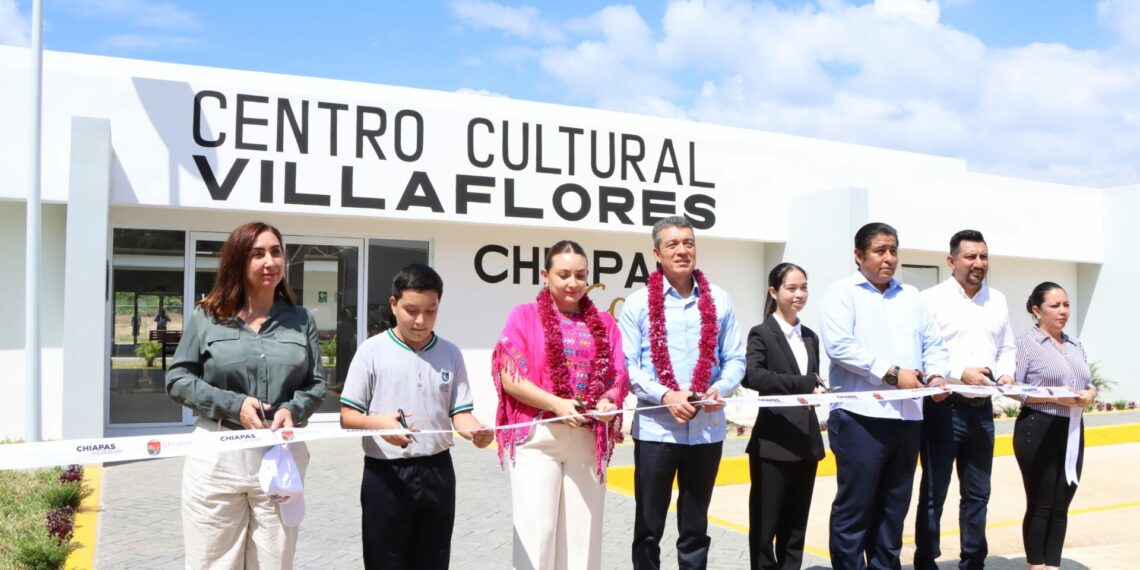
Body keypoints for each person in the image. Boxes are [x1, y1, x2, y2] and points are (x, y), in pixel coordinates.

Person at [166, 221, 326, 570]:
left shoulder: (301, 320)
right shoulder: (207, 316)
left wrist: (293, 410)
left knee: (274, 562)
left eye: (276, 252)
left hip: (280, 455)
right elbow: (178, 378)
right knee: (213, 563)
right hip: (219, 454)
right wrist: (234, 405)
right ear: (238, 262)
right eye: (257, 254)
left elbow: (316, 383)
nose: (270, 261)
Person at [339, 263, 494, 570]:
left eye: (431, 310)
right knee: (385, 560)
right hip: (386, 474)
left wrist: (475, 431)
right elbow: (348, 415)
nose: (421, 320)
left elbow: (460, 413)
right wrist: (380, 424)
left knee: (434, 558)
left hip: (437, 471)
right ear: (393, 304)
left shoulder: (450, 353)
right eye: (411, 310)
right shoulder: (372, 351)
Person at [819, 222, 949, 570]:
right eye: (880, 250)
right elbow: (839, 347)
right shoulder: (842, 292)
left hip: (907, 419)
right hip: (859, 419)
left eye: (893, 250)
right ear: (859, 255)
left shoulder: (912, 296)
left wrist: (935, 375)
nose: (888, 257)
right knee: (855, 509)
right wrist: (893, 373)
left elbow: (934, 344)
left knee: (893, 511)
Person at [493, 240, 630, 570]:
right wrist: (557, 404)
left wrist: (607, 400)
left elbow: (618, 374)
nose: (573, 283)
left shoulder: (604, 322)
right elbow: (509, 376)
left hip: (587, 439)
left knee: (583, 539)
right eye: (564, 274)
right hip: (539, 439)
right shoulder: (523, 316)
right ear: (545, 274)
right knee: (538, 535)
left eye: (581, 275)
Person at [620, 215, 746, 570]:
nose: (682, 250)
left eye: (688, 243)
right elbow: (628, 366)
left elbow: (735, 358)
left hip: (706, 429)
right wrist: (665, 396)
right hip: (658, 430)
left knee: (695, 525)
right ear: (656, 253)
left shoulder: (719, 299)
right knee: (648, 525)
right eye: (672, 244)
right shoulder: (638, 303)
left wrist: (718, 388)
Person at [914, 230, 1016, 570]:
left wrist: (1004, 373)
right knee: (934, 493)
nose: (978, 263)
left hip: (982, 410)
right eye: (970, 256)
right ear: (951, 261)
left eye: (983, 256)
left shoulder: (997, 299)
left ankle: (973, 561)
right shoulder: (931, 299)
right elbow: (924, 350)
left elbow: (1006, 347)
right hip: (944, 408)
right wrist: (959, 372)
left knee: (977, 493)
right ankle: (926, 560)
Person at [743, 262, 825, 570]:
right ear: (774, 291)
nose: (799, 294)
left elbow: (813, 379)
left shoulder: (810, 337)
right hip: (773, 443)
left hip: (806, 442)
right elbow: (752, 376)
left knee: (796, 527)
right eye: (791, 288)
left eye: (803, 287)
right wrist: (803, 384)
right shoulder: (762, 333)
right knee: (765, 528)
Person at [1013, 282, 1096, 570]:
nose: (1063, 311)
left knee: (1062, 503)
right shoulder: (1026, 344)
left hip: (1072, 428)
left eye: (1066, 305)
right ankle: (1037, 566)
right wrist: (1054, 397)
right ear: (1037, 310)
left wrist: (1090, 394)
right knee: (1042, 502)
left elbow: (1087, 382)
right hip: (1038, 426)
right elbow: (1015, 389)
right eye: (1055, 306)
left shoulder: (1075, 344)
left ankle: (1053, 564)